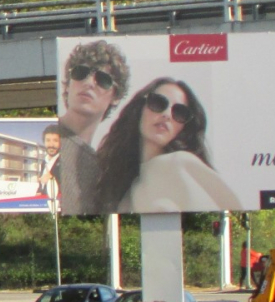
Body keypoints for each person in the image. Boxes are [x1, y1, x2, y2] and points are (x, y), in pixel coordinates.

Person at [91, 77, 241, 213]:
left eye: (180, 112)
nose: (167, 115)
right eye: (158, 103)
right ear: (140, 109)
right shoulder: (126, 190)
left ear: (183, 127)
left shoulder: (179, 164)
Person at [51, 40, 129, 214]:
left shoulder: (102, 170)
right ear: (68, 84)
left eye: (103, 79)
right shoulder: (39, 137)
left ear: (116, 96)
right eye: (80, 73)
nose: (89, 82)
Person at [36, 124, 62, 206]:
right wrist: (39, 191)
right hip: (43, 205)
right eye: (48, 140)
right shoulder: (44, 162)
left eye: (55, 140)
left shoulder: (64, 162)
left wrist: (52, 178)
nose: (51, 145)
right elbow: (42, 183)